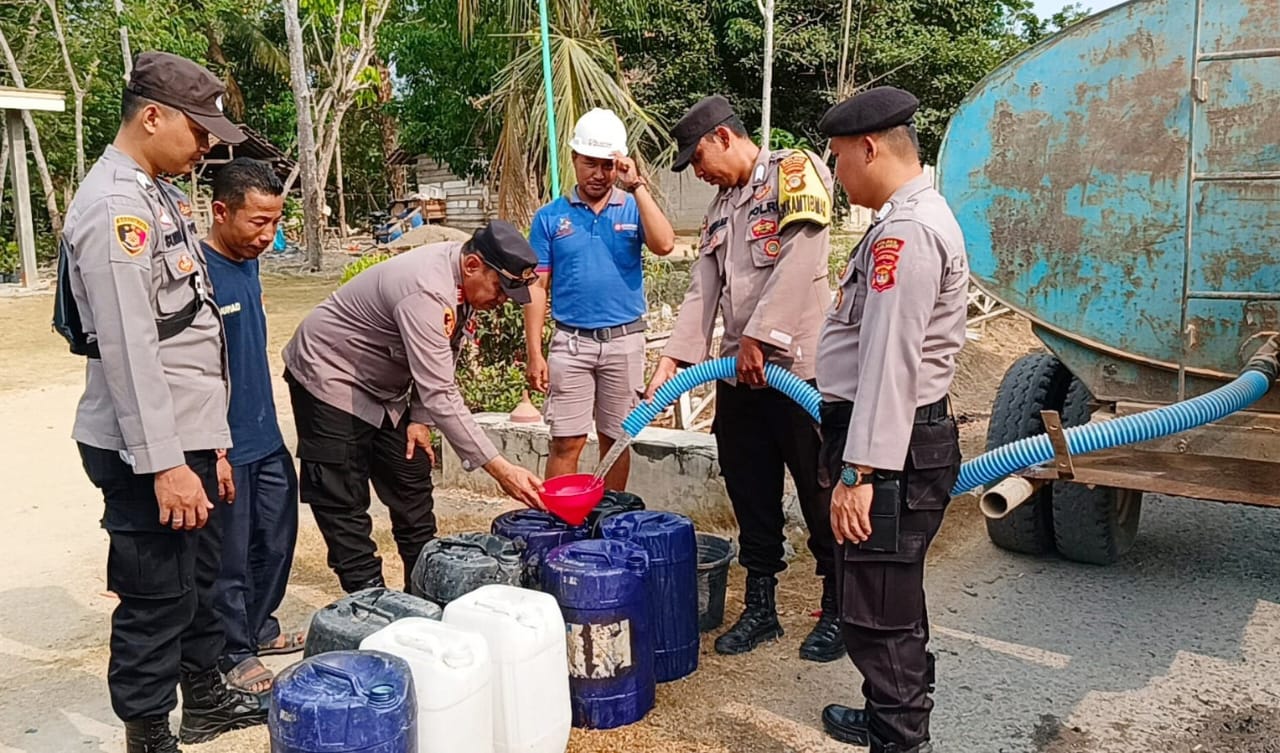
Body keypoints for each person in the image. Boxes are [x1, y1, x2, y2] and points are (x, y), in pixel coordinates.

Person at [54, 51, 266, 752]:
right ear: (152, 116)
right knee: (156, 596)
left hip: (184, 434)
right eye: (198, 129)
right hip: (144, 444)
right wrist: (168, 463)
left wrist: (211, 445)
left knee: (197, 578)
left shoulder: (152, 192)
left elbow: (190, 331)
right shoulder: (117, 207)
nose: (206, 145)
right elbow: (130, 347)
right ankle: (149, 736)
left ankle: (204, 698)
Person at [644, 95, 843, 662]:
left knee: (819, 491)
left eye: (698, 156)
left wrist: (761, 334)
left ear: (725, 137)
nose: (697, 171)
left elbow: (803, 257)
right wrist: (675, 360)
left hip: (796, 372)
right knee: (749, 491)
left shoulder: (796, 172)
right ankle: (761, 609)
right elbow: (701, 287)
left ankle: (838, 608)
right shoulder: (721, 207)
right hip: (738, 376)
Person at [813, 87, 968, 753]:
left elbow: (888, 363)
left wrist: (859, 470)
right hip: (894, 444)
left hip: (887, 453)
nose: (837, 172)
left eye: (840, 158)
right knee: (890, 599)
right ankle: (888, 719)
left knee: (878, 617)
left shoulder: (905, 233)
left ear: (870, 148)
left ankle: (901, 740)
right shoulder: (906, 219)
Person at [283, 221, 545, 593]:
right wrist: (502, 470)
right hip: (330, 376)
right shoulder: (426, 289)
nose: (502, 301)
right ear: (473, 266)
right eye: (501, 290)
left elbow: (444, 352)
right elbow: (441, 391)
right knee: (344, 499)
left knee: (411, 482)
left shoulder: (461, 284)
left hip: (384, 390)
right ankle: (370, 603)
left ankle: (424, 591)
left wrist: (420, 418)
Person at [525, 108, 676, 490]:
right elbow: (536, 287)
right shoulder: (549, 218)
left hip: (624, 342)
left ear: (619, 164)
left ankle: (610, 523)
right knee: (567, 441)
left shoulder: (632, 207)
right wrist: (535, 353)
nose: (598, 174)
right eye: (589, 163)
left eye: (607, 165)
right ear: (574, 159)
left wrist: (636, 185)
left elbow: (665, 244)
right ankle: (561, 523)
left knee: (616, 440)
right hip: (571, 344)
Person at [201, 158, 301, 694]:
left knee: (278, 539)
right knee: (230, 558)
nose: (269, 235)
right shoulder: (197, 273)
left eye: (275, 222)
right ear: (221, 211)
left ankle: (260, 627)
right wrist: (214, 448)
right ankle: (232, 651)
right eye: (257, 222)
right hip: (225, 441)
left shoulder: (249, 263)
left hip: (265, 433)